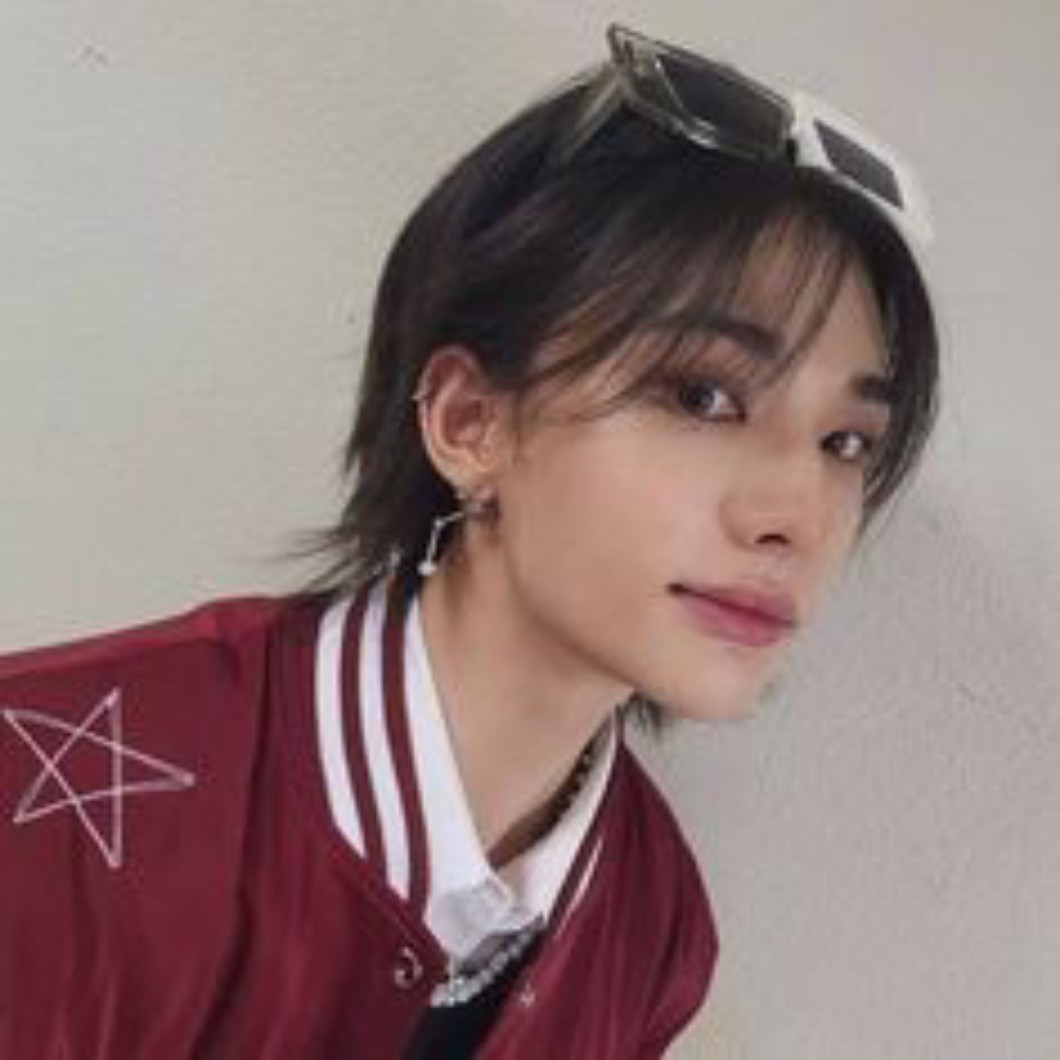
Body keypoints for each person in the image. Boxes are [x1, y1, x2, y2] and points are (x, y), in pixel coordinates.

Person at [0, 23, 939, 1059]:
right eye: (703, 395)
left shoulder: (653, 922)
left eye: (847, 441)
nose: (797, 514)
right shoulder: (50, 799)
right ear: (469, 422)